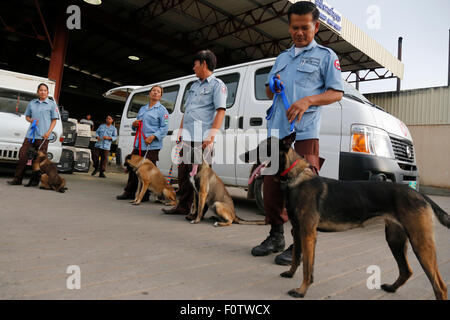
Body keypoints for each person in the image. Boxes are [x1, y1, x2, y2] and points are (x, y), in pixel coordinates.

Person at [250, 1, 344, 265]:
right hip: (276, 134)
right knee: (271, 189)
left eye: (305, 27)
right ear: (289, 27)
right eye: (295, 27)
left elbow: (336, 93)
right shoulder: (282, 58)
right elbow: (269, 92)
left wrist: (308, 101)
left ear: (315, 26)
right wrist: (271, 83)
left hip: (303, 135)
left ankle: (299, 244)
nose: (299, 33)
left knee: (302, 193)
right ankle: (275, 236)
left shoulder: (326, 56)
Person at [162, 49, 227, 215]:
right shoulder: (194, 86)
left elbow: (220, 111)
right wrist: (181, 131)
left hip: (202, 137)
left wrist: (211, 136)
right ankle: (183, 205)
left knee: (200, 177)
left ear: (204, 64)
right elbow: (188, 110)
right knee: (183, 173)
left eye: (195, 64)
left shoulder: (217, 85)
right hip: (188, 137)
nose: (193, 68)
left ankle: (199, 209)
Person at [116, 85, 169, 199]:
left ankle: (146, 194)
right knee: (133, 167)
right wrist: (134, 125)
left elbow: (164, 128)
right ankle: (129, 192)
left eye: (158, 91)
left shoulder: (162, 110)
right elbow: (137, 125)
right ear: (150, 93)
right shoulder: (142, 109)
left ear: (160, 96)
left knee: (148, 170)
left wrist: (153, 136)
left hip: (152, 145)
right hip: (139, 143)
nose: (155, 93)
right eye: (153, 91)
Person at [7, 83, 59, 186]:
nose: (43, 92)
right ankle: (17, 179)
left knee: (39, 160)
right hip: (31, 135)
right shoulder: (32, 103)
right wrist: (31, 120)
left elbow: (54, 120)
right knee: (23, 155)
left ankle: (34, 181)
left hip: (43, 136)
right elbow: (27, 117)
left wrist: (48, 133)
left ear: (48, 92)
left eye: (45, 90)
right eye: (41, 90)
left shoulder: (51, 104)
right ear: (38, 92)